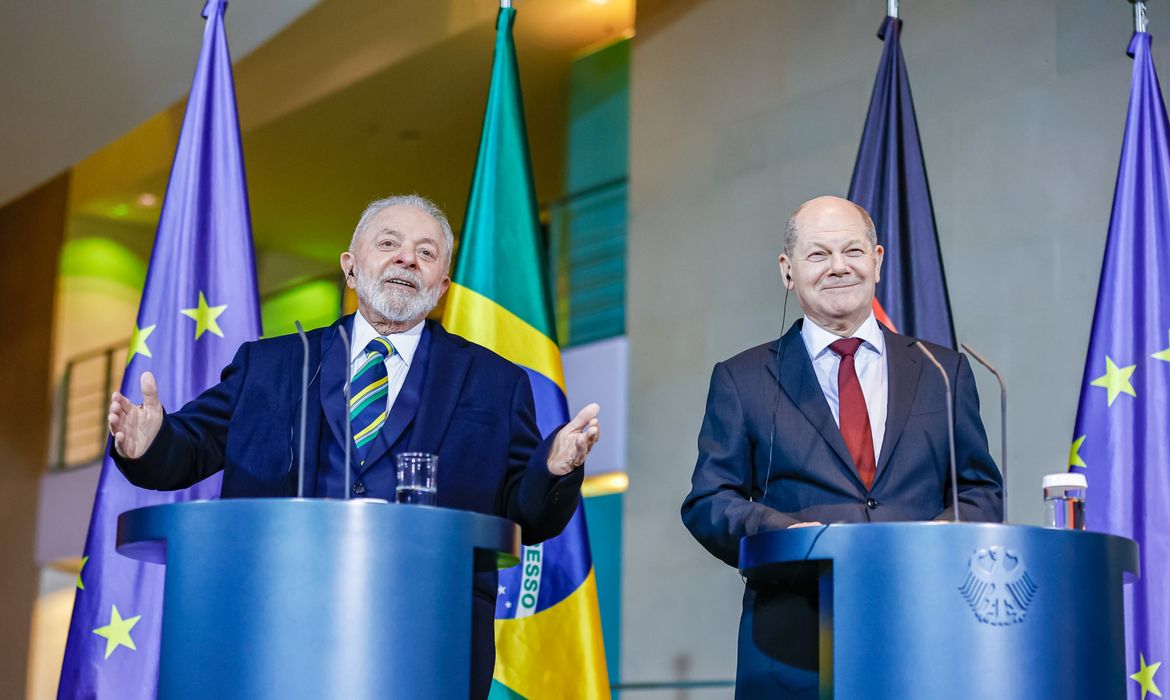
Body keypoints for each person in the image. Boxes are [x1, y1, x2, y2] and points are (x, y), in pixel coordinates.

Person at [108, 194, 600, 699]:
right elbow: (187, 449)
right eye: (389, 243)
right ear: (350, 266)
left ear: (443, 286)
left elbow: (527, 512)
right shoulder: (272, 365)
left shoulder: (495, 382)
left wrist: (555, 467)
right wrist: (147, 442)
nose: (407, 259)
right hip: (272, 631)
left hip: (430, 642)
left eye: (427, 253)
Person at [680, 195, 1002, 697]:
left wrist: (928, 544)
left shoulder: (944, 370)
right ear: (788, 271)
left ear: (877, 260)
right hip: (795, 648)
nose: (838, 267)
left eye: (852, 251)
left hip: (926, 636)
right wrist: (789, 533)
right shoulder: (742, 378)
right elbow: (708, 501)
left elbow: (981, 491)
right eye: (818, 255)